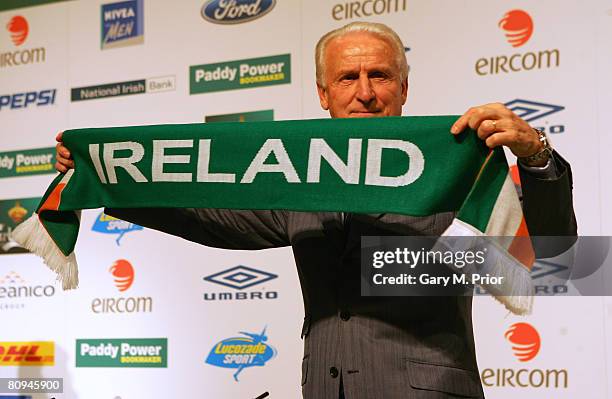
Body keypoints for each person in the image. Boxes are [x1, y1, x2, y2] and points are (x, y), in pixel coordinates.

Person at [55, 22, 576, 399]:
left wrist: (535, 154)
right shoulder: (297, 177)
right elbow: (209, 218)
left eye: (381, 76)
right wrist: (104, 178)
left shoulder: (453, 163)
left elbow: (555, 246)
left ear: (404, 88)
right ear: (324, 94)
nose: (366, 93)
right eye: (348, 78)